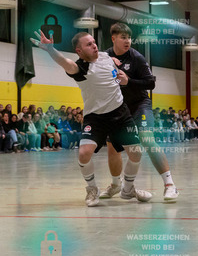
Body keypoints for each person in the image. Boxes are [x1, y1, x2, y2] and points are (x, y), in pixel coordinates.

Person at [31, 29, 151, 207]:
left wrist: (116, 63)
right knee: (84, 153)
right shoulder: (80, 68)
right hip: (95, 118)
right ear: (79, 51)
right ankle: (92, 189)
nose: (94, 45)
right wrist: (50, 50)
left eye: (94, 42)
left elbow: (111, 62)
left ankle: (128, 189)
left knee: (136, 152)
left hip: (120, 113)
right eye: (89, 44)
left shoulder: (105, 56)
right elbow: (65, 62)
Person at [100, 23, 179, 201]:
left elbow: (150, 83)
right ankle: (115, 185)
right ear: (113, 39)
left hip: (139, 105)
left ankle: (170, 185)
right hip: (117, 108)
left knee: (147, 138)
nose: (127, 41)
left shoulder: (137, 58)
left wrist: (129, 81)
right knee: (112, 146)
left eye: (129, 38)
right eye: (123, 37)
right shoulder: (105, 57)